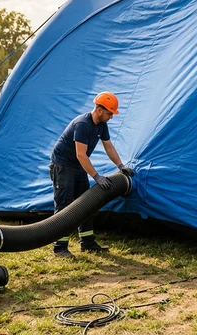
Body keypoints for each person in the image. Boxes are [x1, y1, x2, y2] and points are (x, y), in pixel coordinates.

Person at [50, 92, 135, 258]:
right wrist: (97, 177)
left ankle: (87, 242)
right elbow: (81, 154)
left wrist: (121, 166)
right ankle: (59, 247)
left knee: (86, 203)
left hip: (78, 166)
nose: (111, 116)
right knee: (64, 205)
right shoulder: (83, 124)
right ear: (99, 109)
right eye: (110, 113)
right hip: (63, 166)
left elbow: (109, 147)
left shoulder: (102, 125)